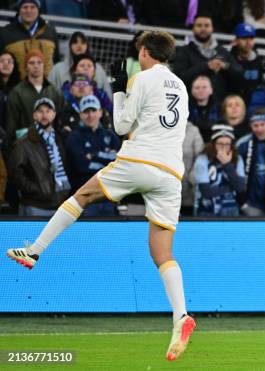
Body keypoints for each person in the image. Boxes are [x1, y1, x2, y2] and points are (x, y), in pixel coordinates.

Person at [5, 31, 196, 361]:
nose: (138, 57)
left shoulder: (142, 78)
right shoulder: (179, 85)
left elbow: (122, 127)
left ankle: (35, 251)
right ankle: (181, 315)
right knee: (162, 252)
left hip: (141, 159)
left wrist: (120, 89)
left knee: (82, 195)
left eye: (140, 52)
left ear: (147, 53)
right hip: (172, 173)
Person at [8, 98, 70, 217]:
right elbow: (15, 173)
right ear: (34, 115)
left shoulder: (58, 139)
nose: (44, 115)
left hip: (58, 204)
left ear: (54, 114)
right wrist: (36, 189)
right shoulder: (23, 142)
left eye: (48, 111)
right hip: (34, 205)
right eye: (40, 111)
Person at [65, 95, 120, 217]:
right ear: (80, 114)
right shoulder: (74, 137)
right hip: (84, 198)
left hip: (108, 197)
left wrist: (94, 155)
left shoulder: (110, 136)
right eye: (86, 111)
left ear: (100, 112)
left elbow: (118, 164)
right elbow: (80, 166)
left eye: (93, 110)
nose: (90, 115)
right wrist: (106, 161)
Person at [173, 14, 242, 101]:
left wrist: (225, 66)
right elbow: (179, 78)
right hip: (190, 105)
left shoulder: (223, 51)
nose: (203, 29)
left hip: (219, 106)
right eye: (199, 25)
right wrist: (206, 66)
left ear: (212, 28)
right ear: (193, 28)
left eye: (206, 25)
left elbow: (239, 73)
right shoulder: (184, 51)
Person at [5, 49, 64, 147]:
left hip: (51, 146)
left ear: (44, 65)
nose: (36, 66)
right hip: (26, 146)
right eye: (31, 63)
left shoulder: (55, 92)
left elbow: (60, 121)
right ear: (26, 67)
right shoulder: (17, 93)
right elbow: (11, 125)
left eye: (39, 62)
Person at [193, 124, 246, 216]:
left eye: (227, 144)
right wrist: (231, 188)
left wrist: (227, 164)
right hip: (206, 210)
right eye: (220, 144)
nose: (223, 147)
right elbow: (206, 191)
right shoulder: (202, 159)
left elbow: (240, 188)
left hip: (231, 209)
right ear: (213, 144)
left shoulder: (238, 159)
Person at [0, 0, 59, 78]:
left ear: (38, 10)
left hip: (46, 88)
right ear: (19, 10)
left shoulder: (50, 32)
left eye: (33, 7)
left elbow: (56, 61)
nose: (29, 10)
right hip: (17, 88)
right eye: (25, 7)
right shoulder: (5, 33)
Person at [48, 31, 112, 97]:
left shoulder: (98, 68)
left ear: (87, 46)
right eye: (75, 42)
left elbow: (107, 94)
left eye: (83, 42)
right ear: (70, 46)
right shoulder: (57, 69)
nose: (79, 46)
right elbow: (48, 93)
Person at [230, 23, 263, 105]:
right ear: (236, 40)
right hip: (232, 102)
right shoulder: (229, 59)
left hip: (252, 103)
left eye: (251, 38)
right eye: (244, 38)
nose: (248, 42)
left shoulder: (258, 60)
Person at [181, 117, 205, 216]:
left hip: (188, 192)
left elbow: (200, 157)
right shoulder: (159, 129)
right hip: (163, 192)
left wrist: (192, 179)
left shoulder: (193, 131)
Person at [189, 75, 219, 141]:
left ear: (211, 90)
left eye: (204, 87)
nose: (201, 90)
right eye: (197, 88)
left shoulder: (219, 108)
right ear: (192, 91)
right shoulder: (186, 108)